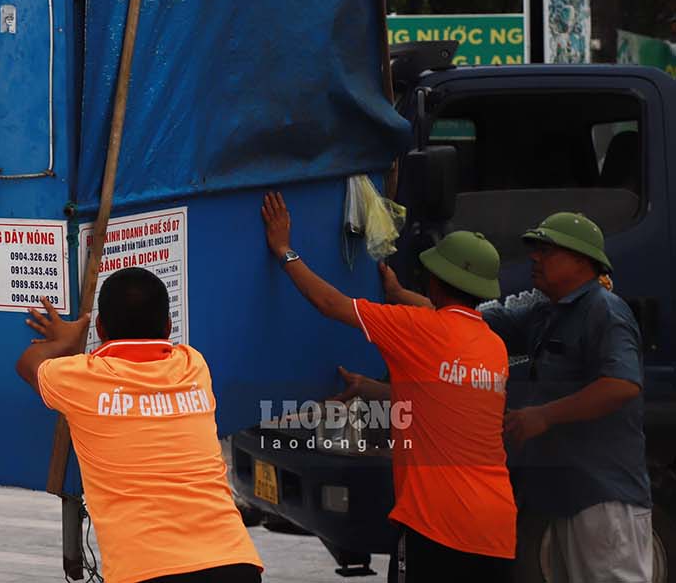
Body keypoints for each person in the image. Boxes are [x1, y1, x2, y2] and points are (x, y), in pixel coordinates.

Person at [259, 192, 515, 581]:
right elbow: (440, 401)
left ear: (435, 279)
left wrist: (284, 249)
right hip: (494, 527)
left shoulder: (419, 330)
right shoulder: (491, 345)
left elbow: (330, 304)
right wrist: (369, 386)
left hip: (436, 527)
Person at [16, 267, 264, 583]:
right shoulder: (194, 366)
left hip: (146, 572)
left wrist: (66, 340)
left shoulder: (82, 379)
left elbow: (27, 364)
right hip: (233, 563)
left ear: (101, 329)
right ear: (169, 326)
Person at [478, 213, 651, 583]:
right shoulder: (548, 312)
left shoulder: (605, 311)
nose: (534, 258)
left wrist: (544, 416)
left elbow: (622, 385)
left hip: (603, 500)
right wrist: (406, 303)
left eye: (547, 251)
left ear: (582, 260)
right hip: (564, 498)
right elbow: (472, 323)